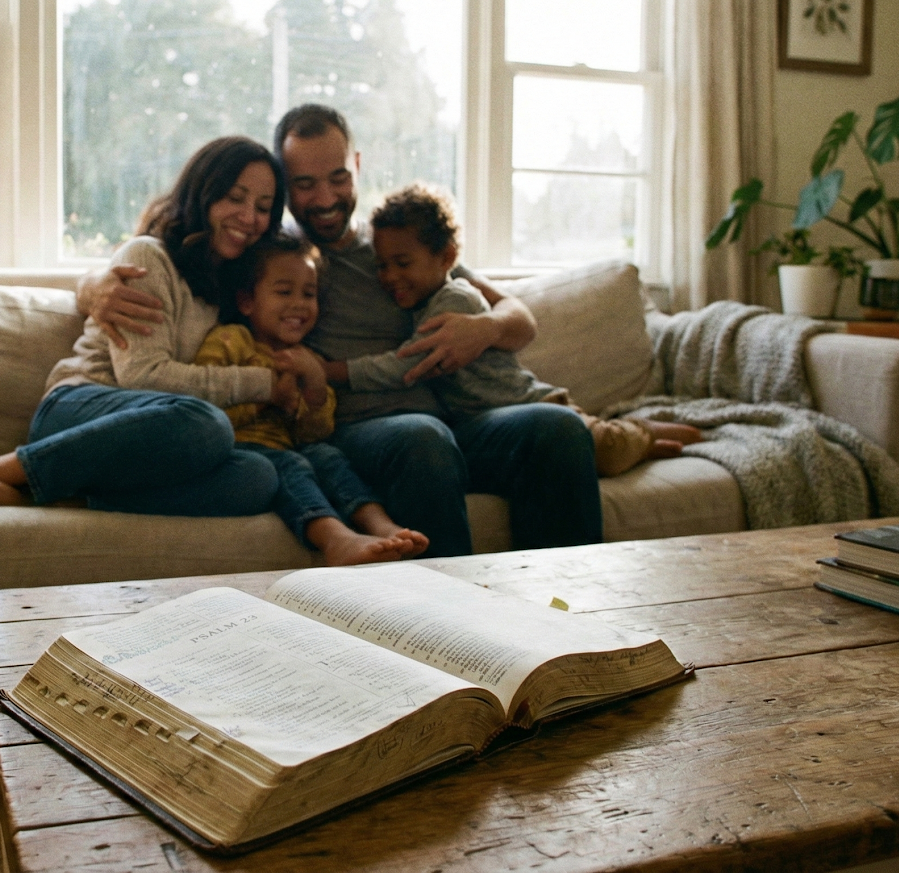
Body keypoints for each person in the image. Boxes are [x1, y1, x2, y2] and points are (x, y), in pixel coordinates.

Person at [78, 105, 603, 555]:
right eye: (304, 185)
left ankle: (565, 618)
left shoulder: (395, 245)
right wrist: (91, 286)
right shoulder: (273, 257)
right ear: (286, 188)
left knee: (556, 428)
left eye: (337, 177)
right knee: (422, 438)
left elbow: (520, 317)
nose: (325, 198)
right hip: (357, 431)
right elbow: (176, 263)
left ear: (357, 166)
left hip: (452, 419)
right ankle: (446, 623)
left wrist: (484, 328)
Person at [0, 136, 291, 516]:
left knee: (258, 476)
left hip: (150, 441)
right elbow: (143, 376)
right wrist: (264, 384)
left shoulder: (238, 290)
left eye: (263, 207)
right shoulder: (148, 257)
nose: (249, 217)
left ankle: (54, 497)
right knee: (207, 425)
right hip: (79, 411)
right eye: (235, 198)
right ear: (202, 194)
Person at [367, 183, 703, 477]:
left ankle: (649, 433)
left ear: (446, 257)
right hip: (489, 419)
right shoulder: (405, 280)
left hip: (531, 400)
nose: (390, 275)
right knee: (606, 450)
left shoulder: (452, 282)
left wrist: (485, 327)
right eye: (382, 265)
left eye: (402, 263)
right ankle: (640, 441)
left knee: (609, 449)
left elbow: (520, 319)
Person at [194, 233, 429, 564]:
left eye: (309, 293)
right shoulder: (231, 340)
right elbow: (203, 414)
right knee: (293, 464)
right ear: (247, 301)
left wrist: (316, 384)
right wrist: (268, 398)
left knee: (327, 456)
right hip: (240, 451)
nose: (299, 304)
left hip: (291, 449)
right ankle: (336, 540)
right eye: (284, 292)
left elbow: (313, 433)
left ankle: (382, 526)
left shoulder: (305, 357)